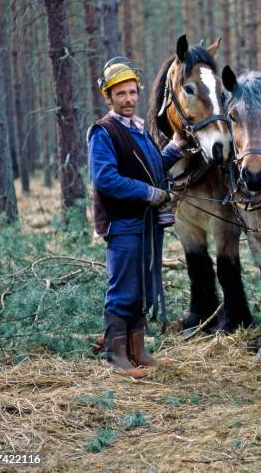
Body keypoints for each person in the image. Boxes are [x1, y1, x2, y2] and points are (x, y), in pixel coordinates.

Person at [87, 57, 185, 377]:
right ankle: (117, 357)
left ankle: (138, 351)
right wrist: (149, 193)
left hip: (147, 223)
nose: (128, 99)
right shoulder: (103, 131)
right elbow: (105, 178)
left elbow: (152, 167)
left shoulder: (139, 129)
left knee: (143, 286)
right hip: (124, 223)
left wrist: (177, 147)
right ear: (109, 97)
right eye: (121, 94)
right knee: (123, 289)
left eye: (132, 93)